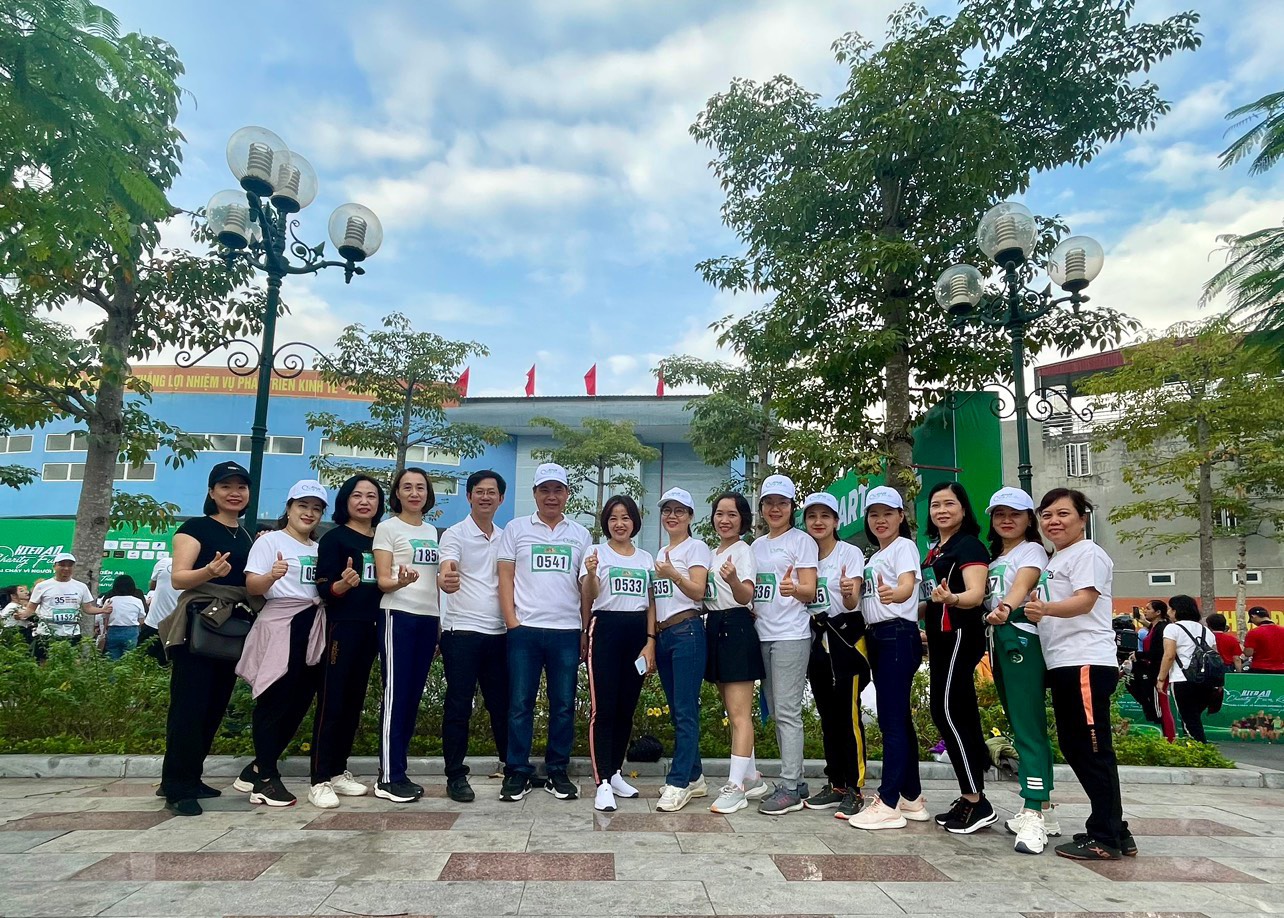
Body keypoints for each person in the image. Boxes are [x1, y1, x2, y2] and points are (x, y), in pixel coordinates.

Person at [1024, 487, 1132, 860]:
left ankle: (1104, 836)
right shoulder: (1058, 558)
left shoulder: (1088, 553)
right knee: (1078, 746)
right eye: (1047, 515)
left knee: (1092, 748)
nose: (1053, 521)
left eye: (1063, 514)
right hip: (1066, 663)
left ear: (1082, 519)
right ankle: (1116, 830)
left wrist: (1045, 610)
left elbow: (1085, 601)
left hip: (1085, 661)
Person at [158, 460, 256, 816]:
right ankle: (176, 786)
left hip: (231, 626)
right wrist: (209, 571)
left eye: (241, 487)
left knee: (214, 706)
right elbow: (179, 578)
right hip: (198, 624)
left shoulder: (245, 534)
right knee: (189, 707)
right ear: (212, 492)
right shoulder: (194, 528)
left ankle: (191, 776)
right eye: (226, 486)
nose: (234, 493)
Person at [497, 462, 592, 802]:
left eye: (558, 490)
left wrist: (584, 629)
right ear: (535, 493)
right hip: (525, 631)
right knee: (519, 704)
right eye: (545, 490)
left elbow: (585, 587)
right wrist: (512, 621)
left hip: (565, 631)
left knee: (563, 705)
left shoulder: (580, 534)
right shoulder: (516, 529)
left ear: (567, 494)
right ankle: (517, 771)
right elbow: (505, 576)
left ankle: (557, 770)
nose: (552, 496)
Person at [231, 479, 329, 807]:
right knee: (274, 700)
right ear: (288, 508)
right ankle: (266, 780)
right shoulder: (270, 541)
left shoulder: (319, 549)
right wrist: (272, 575)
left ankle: (257, 767)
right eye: (302, 506)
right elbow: (253, 587)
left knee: (299, 703)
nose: (309, 513)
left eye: (316, 508)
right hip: (281, 626)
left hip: (312, 627)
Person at [981, 487, 1060, 855]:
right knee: (1021, 722)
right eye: (999, 514)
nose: (1006, 520)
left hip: (1021, 639)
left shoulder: (1031, 551)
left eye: (1015, 513)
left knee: (1028, 727)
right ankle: (1046, 807)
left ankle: (1033, 811)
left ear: (1030, 519)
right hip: (1000, 639)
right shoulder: (996, 555)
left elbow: (1021, 586)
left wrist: (1004, 608)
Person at [849, 486, 929, 830]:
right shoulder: (875, 556)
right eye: (873, 514)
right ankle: (911, 797)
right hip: (880, 636)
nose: (880, 520)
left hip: (896, 634)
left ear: (901, 516)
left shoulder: (903, 547)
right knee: (898, 720)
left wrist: (895, 594)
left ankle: (888, 802)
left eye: (887, 513)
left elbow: (908, 586)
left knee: (892, 721)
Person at [920, 482, 995, 834]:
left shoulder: (969, 546)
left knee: (947, 711)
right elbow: (929, 599)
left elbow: (975, 595)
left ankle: (975, 799)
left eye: (949, 504)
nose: (942, 511)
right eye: (936, 505)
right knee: (956, 711)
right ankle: (971, 796)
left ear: (964, 509)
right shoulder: (936, 551)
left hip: (960, 635)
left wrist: (951, 600)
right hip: (939, 638)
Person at [308, 474, 386, 808]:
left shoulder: (383, 538)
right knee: (332, 701)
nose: (364, 501)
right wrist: (342, 584)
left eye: (371, 496)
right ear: (345, 501)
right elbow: (324, 589)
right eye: (357, 495)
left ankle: (338, 770)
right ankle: (319, 779)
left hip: (374, 627)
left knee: (354, 701)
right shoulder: (335, 539)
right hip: (342, 628)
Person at [438, 470, 511, 804]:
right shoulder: (455, 534)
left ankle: (513, 768)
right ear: (468, 496)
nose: (485, 497)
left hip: (499, 633)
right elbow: (447, 567)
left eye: (491, 492)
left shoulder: (506, 537)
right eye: (479, 491)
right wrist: (447, 578)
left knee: (503, 705)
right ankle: (455, 775)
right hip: (462, 632)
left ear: (501, 498)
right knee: (458, 705)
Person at [580, 494, 655, 812]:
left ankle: (615, 772)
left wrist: (650, 640)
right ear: (606, 523)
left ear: (634, 521)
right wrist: (592, 574)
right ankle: (602, 782)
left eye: (625, 517)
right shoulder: (595, 553)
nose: (619, 524)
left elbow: (652, 602)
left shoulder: (646, 558)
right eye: (613, 518)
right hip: (606, 630)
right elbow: (589, 595)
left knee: (626, 708)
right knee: (604, 709)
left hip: (637, 633)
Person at [373, 467, 443, 803]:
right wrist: (400, 582)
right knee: (396, 695)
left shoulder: (432, 531)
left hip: (428, 618)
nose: (414, 493)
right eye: (407, 487)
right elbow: (382, 580)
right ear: (397, 493)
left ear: (428, 494)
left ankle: (399, 771)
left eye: (420, 487)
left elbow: (434, 581)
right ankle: (388, 777)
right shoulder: (387, 528)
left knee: (413, 697)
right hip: (397, 614)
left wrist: (440, 622)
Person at [751, 474, 817, 816]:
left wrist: (795, 589)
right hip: (762, 633)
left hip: (791, 634)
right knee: (776, 711)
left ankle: (790, 787)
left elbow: (810, 589)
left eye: (782, 503)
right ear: (761, 507)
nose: (775, 509)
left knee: (788, 712)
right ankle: (798, 780)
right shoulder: (756, 546)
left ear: (792, 507)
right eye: (769, 503)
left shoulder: (801, 541)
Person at [800, 492, 869, 821]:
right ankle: (836, 783)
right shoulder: (804, 555)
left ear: (836, 521)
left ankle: (855, 788)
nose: (818, 522)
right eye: (812, 516)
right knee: (827, 715)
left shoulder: (849, 553)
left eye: (825, 516)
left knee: (848, 715)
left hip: (845, 638)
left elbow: (853, 602)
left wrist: (848, 592)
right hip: (816, 638)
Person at [705, 492, 770, 814]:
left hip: (736, 626)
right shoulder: (711, 554)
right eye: (720, 513)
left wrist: (732, 580)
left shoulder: (744, 551)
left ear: (743, 519)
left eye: (732, 514)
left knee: (740, 713)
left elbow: (746, 596)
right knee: (732, 712)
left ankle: (736, 787)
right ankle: (752, 776)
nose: (725, 520)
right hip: (715, 625)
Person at [651, 487, 712, 813]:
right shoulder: (661, 552)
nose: (672, 516)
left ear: (690, 516)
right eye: (667, 510)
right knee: (677, 710)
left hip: (687, 631)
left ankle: (678, 783)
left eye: (679, 511)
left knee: (686, 710)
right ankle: (695, 776)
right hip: (664, 635)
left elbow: (698, 590)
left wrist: (673, 573)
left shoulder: (695, 548)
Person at [1157, 594, 1218, 744]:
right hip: (1206, 681)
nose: (1168, 612)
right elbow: (1215, 655)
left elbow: (1169, 655)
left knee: (1189, 720)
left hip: (1182, 678)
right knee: (1194, 718)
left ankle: (1200, 749)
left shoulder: (1172, 628)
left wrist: (1161, 678)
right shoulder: (1206, 631)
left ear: (1176, 610)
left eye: (1170, 609)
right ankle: (1197, 748)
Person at [20, 553, 107, 648]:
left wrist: (103, 610)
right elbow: (31, 608)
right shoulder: (42, 586)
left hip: (72, 633)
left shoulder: (81, 587)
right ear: (54, 566)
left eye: (70, 565)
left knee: (72, 657)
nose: (66, 568)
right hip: (47, 633)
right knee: (45, 657)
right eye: (62, 565)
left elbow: (88, 608)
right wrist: (22, 615)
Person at [101, 574, 147, 660]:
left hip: (113, 631)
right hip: (131, 631)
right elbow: (141, 621)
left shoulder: (109, 601)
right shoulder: (137, 601)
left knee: (112, 657)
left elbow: (105, 619)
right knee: (129, 659)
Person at [1245, 607, 1284, 674]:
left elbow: (1248, 653)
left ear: (1253, 616)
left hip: (1259, 669)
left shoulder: (1253, 632)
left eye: (1252, 621)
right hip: (1281, 669)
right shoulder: (1282, 630)